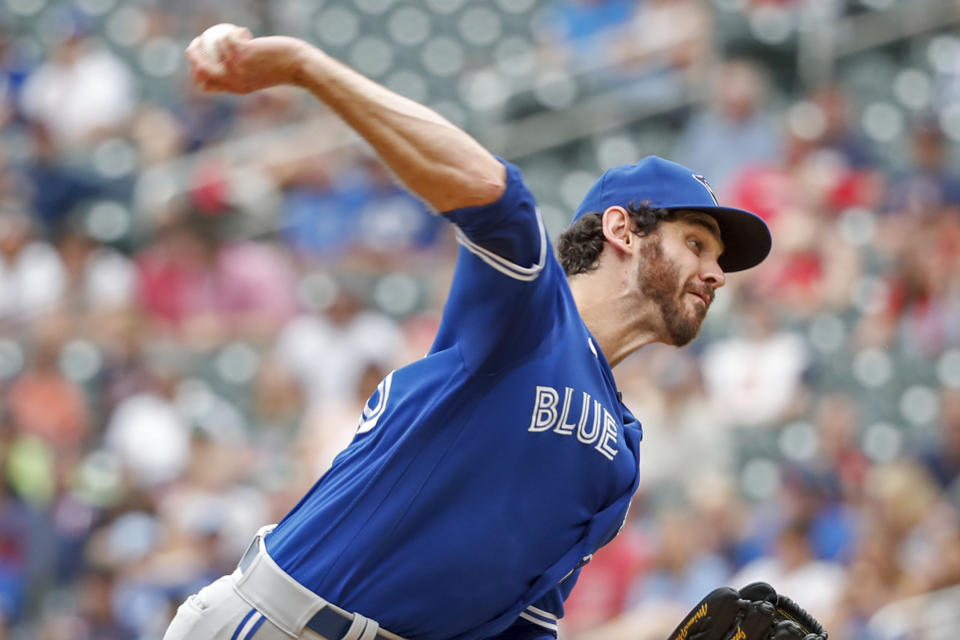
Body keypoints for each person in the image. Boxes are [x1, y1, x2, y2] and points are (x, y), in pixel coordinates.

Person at [167, 26, 772, 640]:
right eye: (696, 243)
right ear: (621, 230)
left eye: (719, 259)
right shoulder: (532, 314)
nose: (717, 273)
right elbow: (499, 199)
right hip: (281, 623)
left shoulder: (620, 453)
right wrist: (304, 66)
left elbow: (522, 630)